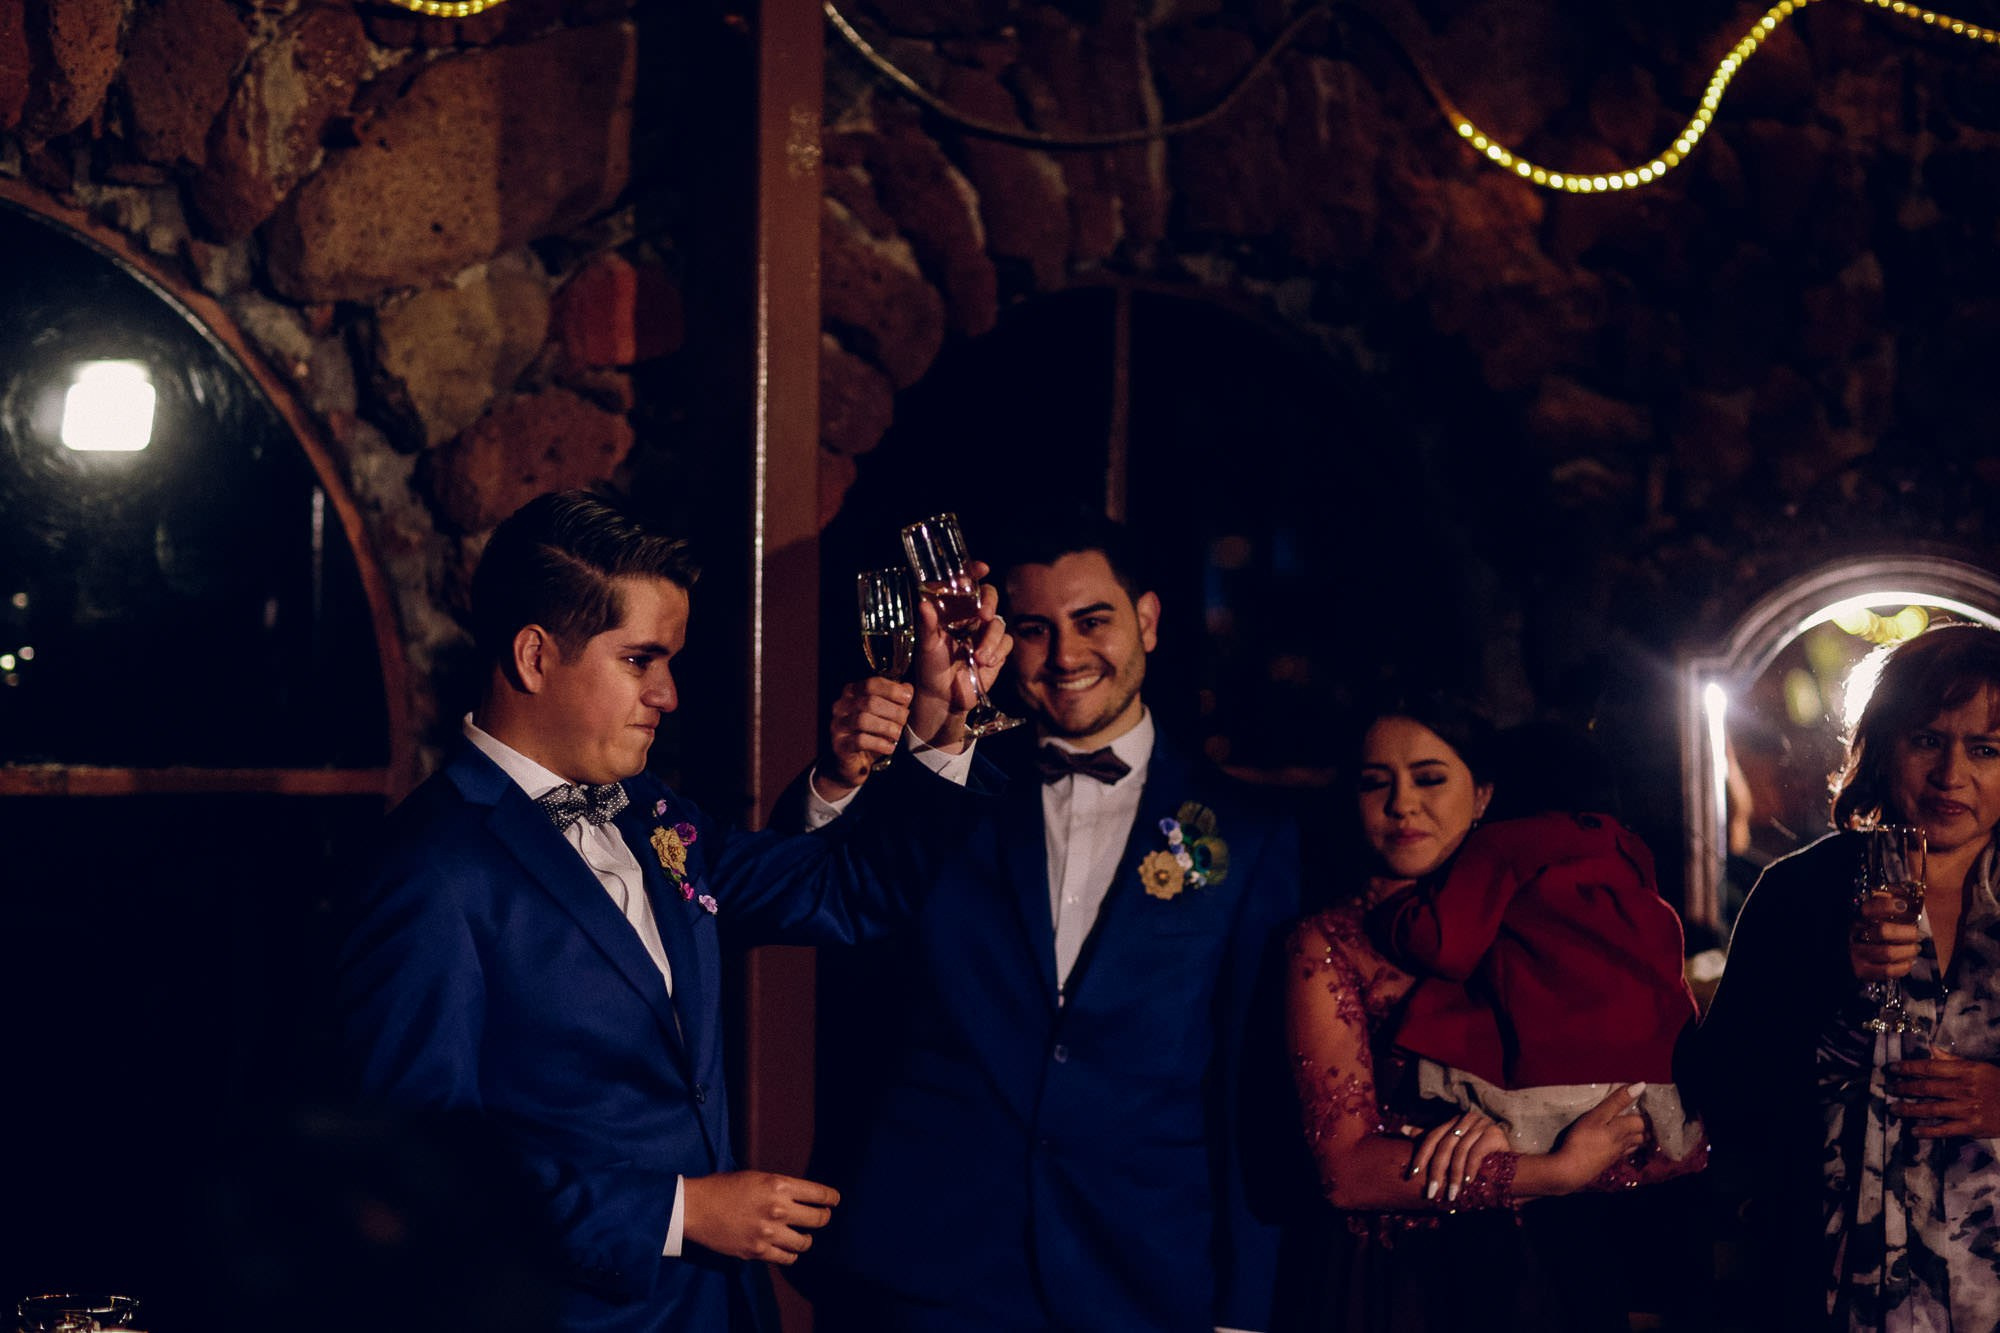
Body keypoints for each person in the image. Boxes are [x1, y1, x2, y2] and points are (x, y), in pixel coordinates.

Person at [331, 488, 1008, 1333]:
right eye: (640, 660)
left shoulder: (648, 810)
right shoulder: (430, 872)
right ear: (537, 657)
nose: (669, 694)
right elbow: (417, 1168)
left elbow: (842, 893)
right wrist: (681, 1212)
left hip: (719, 1312)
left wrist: (941, 731)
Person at [795, 507, 1302, 1333]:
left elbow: (1252, 1089)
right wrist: (838, 779)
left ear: (1147, 620)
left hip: (1142, 1275)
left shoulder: (1250, 831)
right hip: (928, 1270)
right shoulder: (946, 784)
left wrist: (1243, 1307)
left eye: (1092, 620)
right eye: (1034, 628)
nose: (1065, 655)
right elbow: (822, 894)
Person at [1283, 696, 1691, 1333]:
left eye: (1429, 778)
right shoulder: (1332, 940)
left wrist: (1599, 1143)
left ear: (1482, 797)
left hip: (1553, 1265)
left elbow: (1639, 1119)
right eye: (1375, 783)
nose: (1402, 804)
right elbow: (1344, 1171)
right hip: (1403, 1282)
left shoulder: (1547, 921)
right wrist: (1549, 1172)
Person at [1696, 621, 2000, 1330]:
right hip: (1822, 1281)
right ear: (1883, 743)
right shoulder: (1799, 891)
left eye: (1986, 748)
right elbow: (1719, 1087)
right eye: (1927, 739)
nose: (1952, 774)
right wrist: (1829, 975)